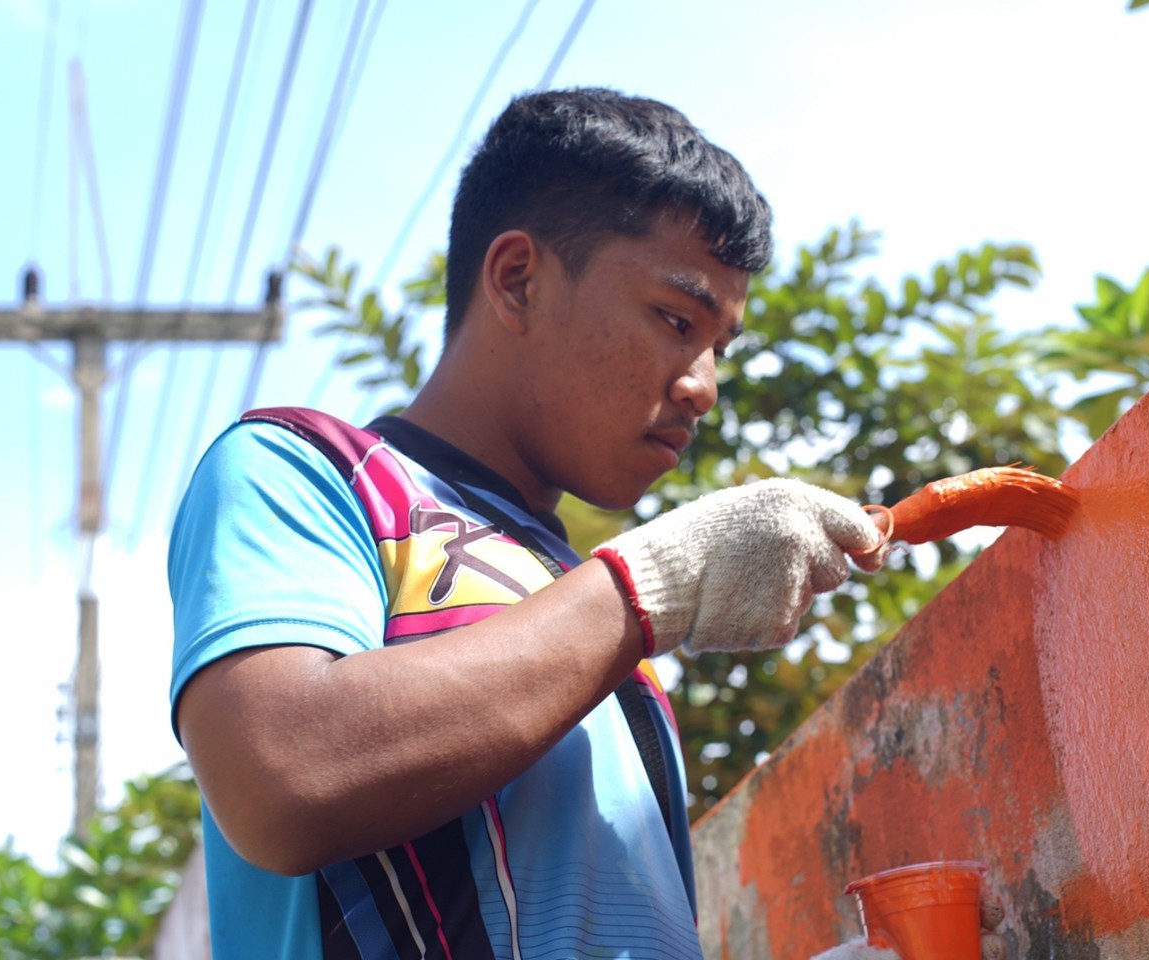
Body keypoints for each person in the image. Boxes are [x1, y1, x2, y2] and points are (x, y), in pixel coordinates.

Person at [169, 87, 934, 959]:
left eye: (719, 348)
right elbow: (282, 776)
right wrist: (653, 587)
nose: (703, 387)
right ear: (517, 280)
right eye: (676, 320)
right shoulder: (306, 470)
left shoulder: (587, 618)